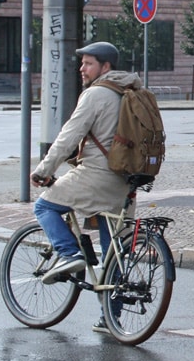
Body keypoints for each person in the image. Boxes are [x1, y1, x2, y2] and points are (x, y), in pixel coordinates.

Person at [30, 41, 141, 333]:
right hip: (126, 182)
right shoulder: (132, 91)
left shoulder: (95, 94)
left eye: (88, 63)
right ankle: (110, 318)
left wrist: (43, 171)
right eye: (82, 63)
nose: (82, 68)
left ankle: (70, 254)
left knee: (44, 206)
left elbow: (69, 136)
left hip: (97, 177)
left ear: (106, 67)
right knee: (112, 251)